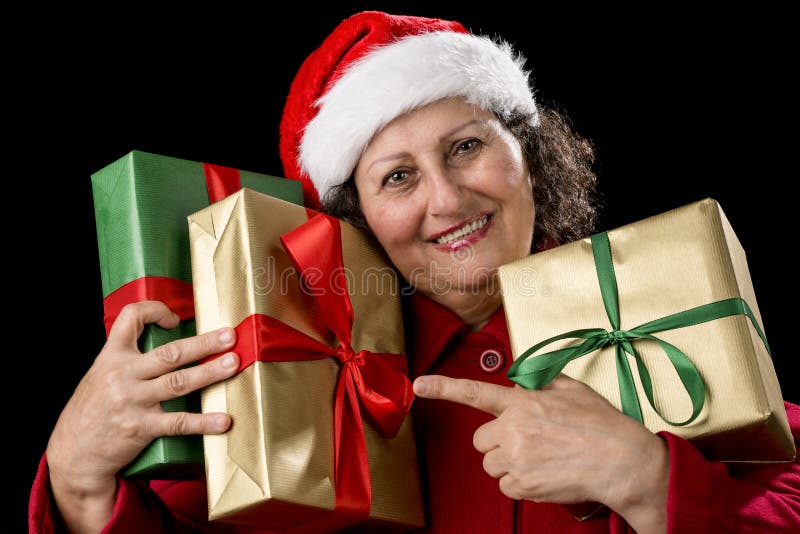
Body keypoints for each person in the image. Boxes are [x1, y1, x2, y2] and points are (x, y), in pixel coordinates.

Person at [30, 10, 800, 534]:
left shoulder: (664, 312)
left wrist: (646, 480)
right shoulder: (292, 387)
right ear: (356, 220)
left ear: (528, 153)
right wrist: (77, 480)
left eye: (467, 146)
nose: (448, 197)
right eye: (397, 177)